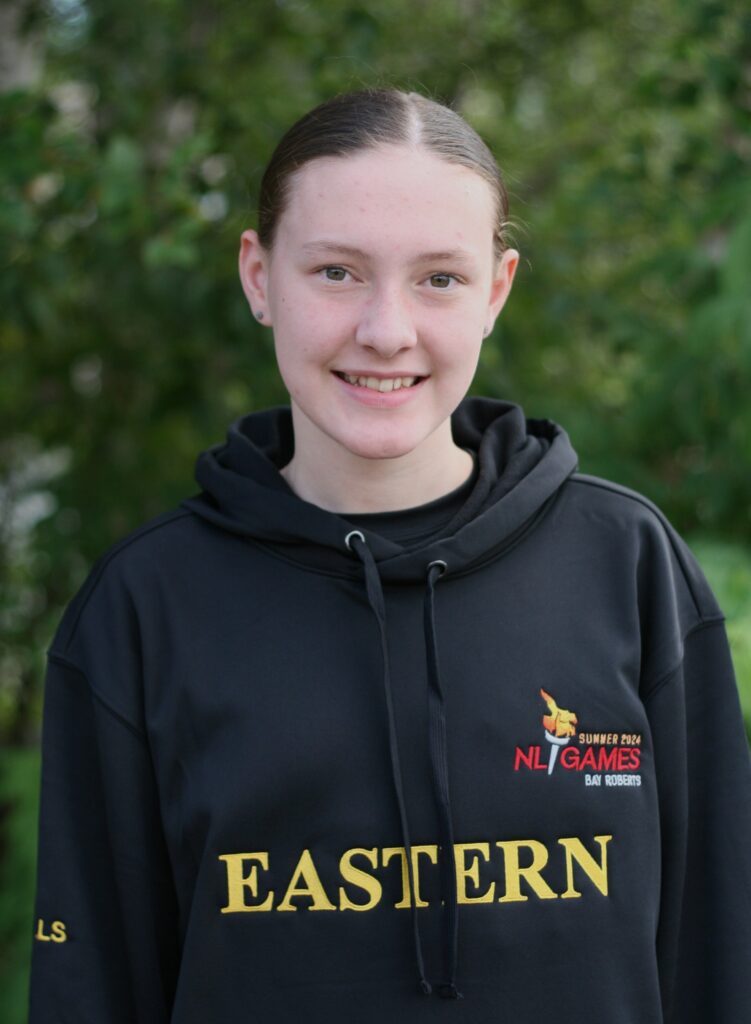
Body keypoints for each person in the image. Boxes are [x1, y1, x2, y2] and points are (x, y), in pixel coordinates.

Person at [29, 88, 751, 1023]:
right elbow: (92, 987)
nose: (385, 331)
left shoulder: (627, 566)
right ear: (258, 277)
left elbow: (717, 957)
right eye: (336, 271)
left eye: (438, 279)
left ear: (495, 292)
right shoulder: (145, 605)